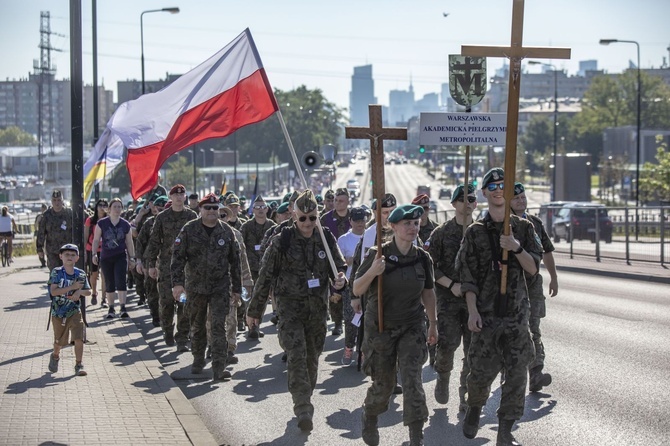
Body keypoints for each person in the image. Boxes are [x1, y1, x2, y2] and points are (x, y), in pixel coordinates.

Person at [246, 190, 347, 432]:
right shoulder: (283, 240)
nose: (308, 224)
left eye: (312, 218)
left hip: (317, 310)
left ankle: (306, 397)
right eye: (303, 218)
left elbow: (339, 268)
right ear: (294, 216)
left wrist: (340, 281)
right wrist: (255, 311)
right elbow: (265, 276)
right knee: (297, 355)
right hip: (289, 309)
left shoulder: (326, 238)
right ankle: (302, 406)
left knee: (312, 358)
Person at [457, 168, 542, 445]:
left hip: (516, 317)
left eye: (501, 185)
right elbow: (467, 277)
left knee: (517, 374)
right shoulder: (475, 232)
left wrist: (516, 247)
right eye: (491, 185)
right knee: (480, 374)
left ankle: (505, 430)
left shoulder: (524, 228)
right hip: (486, 316)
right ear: (483, 193)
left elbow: (533, 269)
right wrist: (471, 311)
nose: (497, 189)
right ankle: (474, 408)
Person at [353, 204, 437, 446]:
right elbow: (357, 289)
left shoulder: (423, 258)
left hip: (411, 325)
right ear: (393, 226)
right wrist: (373, 273)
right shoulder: (376, 254)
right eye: (407, 224)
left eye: (416, 223)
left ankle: (416, 436)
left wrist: (433, 324)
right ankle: (370, 415)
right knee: (385, 385)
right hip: (382, 327)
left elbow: (428, 293)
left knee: (412, 380)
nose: (413, 228)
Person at [171, 193, 242, 381]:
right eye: (207, 208)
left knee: (219, 326)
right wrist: (177, 284)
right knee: (197, 325)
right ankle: (197, 358)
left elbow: (236, 262)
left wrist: (237, 289)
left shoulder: (227, 232)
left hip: (220, 287)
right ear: (200, 209)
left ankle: (219, 367)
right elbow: (177, 258)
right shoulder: (189, 229)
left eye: (215, 208)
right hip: (195, 287)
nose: (211, 211)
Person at [425, 184, 477, 411]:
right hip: (449, 299)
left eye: (472, 199)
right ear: (454, 204)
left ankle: (466, 394)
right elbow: (429, 267)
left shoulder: (483, 231)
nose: (468, 203)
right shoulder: (441, 233)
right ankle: (443, 376)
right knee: (447, 344)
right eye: (463, 199)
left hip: (476, 301)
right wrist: (451, 284)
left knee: (473, 350)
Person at [511, 182, 558, 392]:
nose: (521, 201)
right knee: (510, 331)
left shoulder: (535, 223)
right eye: (516, 198)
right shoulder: (502, 224)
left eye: (523, 197)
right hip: (510, 289)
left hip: (532, 286)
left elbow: (547, 251)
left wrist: (554, 278)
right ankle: (509, 372)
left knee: (534, 330)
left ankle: (536, 372)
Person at [146, 184, 198, 351]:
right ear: (170, 196)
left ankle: (182, 337)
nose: (178, 197)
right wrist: (151, 265)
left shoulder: (192, 216)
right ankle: (167, 330)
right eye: (175, 194)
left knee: (184, 303)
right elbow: (154, 243)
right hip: (166, 267)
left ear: (185, 197)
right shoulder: (162, 218)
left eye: (181, 194)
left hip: (186, 268)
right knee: (167, 302)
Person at [47, 244, 91, 376]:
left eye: (73, 255)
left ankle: (79, 364)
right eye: (66, 254)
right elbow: (53, 292)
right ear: (61, 256)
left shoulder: (81, 274)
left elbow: (88, 291)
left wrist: (80, 292)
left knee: (78, 338)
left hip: (74, 311)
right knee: (59, 342)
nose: (69, 257)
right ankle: (55, 355)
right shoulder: (56, 272)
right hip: (59, 312)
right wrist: (72, 287)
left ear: (77, 257)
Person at [217, 205, 254, 365]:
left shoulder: (236, 235)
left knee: (231, 318)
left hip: (231, 283)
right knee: (211, 320)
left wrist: (247, 281)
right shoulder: (200, 233)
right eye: (219, 214)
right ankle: (213, 347)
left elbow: (243, 260)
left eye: (224, 215)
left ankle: (229, 348)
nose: (221, 217)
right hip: (208, 285)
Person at [92, 198, 136, 319]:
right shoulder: (102, 223)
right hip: (106, 257)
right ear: (109, 209)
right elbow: (96, 240)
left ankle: (122, 307)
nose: (117, 209)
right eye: (115, 206)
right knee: (109, 282)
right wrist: (94, 254)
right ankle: (111, 308)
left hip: (120, 256)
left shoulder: (125, 224)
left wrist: (132, 258)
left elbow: (129, 242)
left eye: (119, 207)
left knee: (121, 280)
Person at [240, 195, 275, 339]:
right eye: (257, 207)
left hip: (266, 268)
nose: (260, 210)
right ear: (252, 210)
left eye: (263, 207)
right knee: (249, 297)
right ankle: (250, 326)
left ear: (267, 209)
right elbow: (240, 248)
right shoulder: (246, 227)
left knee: (262, 298)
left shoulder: (273, 226)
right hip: (250, 268)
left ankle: (256, 325)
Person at [336, 206, 367, 365]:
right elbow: (337, 263)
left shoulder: (371, 237)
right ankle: (349, 347)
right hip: (350, 285)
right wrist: (349, 261)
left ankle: (363, 351)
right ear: (351, 221)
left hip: (368, 284)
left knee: (367, 320)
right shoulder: (343, 240)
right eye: (357, 220)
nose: (360, 224)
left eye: (362, 220)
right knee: (350, 319)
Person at [320, 187, 352, 336]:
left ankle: (352, 323)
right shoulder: (325, 219)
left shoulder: (354, 217)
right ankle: (338, 323)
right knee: (335, 293)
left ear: (347, 202)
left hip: (352, 262)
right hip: (332, 261)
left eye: (341, 201)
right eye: (336, 201)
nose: (337, 203)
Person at [135, 196, 168, 327]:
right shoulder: (149, 223)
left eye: (162, 208)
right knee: (152, 290)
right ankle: (155, 315)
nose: (158, 210)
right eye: (157, 208)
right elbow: (140, 242)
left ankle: (167, 316)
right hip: (151, 262)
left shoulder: (172, 223)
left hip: (167, 262)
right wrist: (139, 261)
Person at [37, 190, 74, 271]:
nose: (57, 203)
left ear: (62, 200)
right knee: (55, 274)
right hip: (52, 251)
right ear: (51, 201)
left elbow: (75, 230)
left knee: (68, 274)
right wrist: (39, 248)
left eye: (59, 200)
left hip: (67, 250)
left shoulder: (69, 213)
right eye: (54, 200)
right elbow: (41, 233)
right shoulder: (47, 215)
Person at [84, 199, 108, 305]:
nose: (102, 207)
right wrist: (85, 251)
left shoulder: (109, 220)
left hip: (106, 250)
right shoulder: (90, 220)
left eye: (104, 205)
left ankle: (104, 298)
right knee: (93, 274)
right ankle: (94, 293)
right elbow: (85, 237)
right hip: (92, 250)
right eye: (100, 205)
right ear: (96, 207)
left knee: (105, 275)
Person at [34, 203, 48, 267]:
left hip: (47, 233)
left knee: (46, 247)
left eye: (44, 208)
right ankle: (42, 262)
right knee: (40, 248)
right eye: (42, 208)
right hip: (40, 233)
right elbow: (36, 225)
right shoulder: (39, 216)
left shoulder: (48, 215)